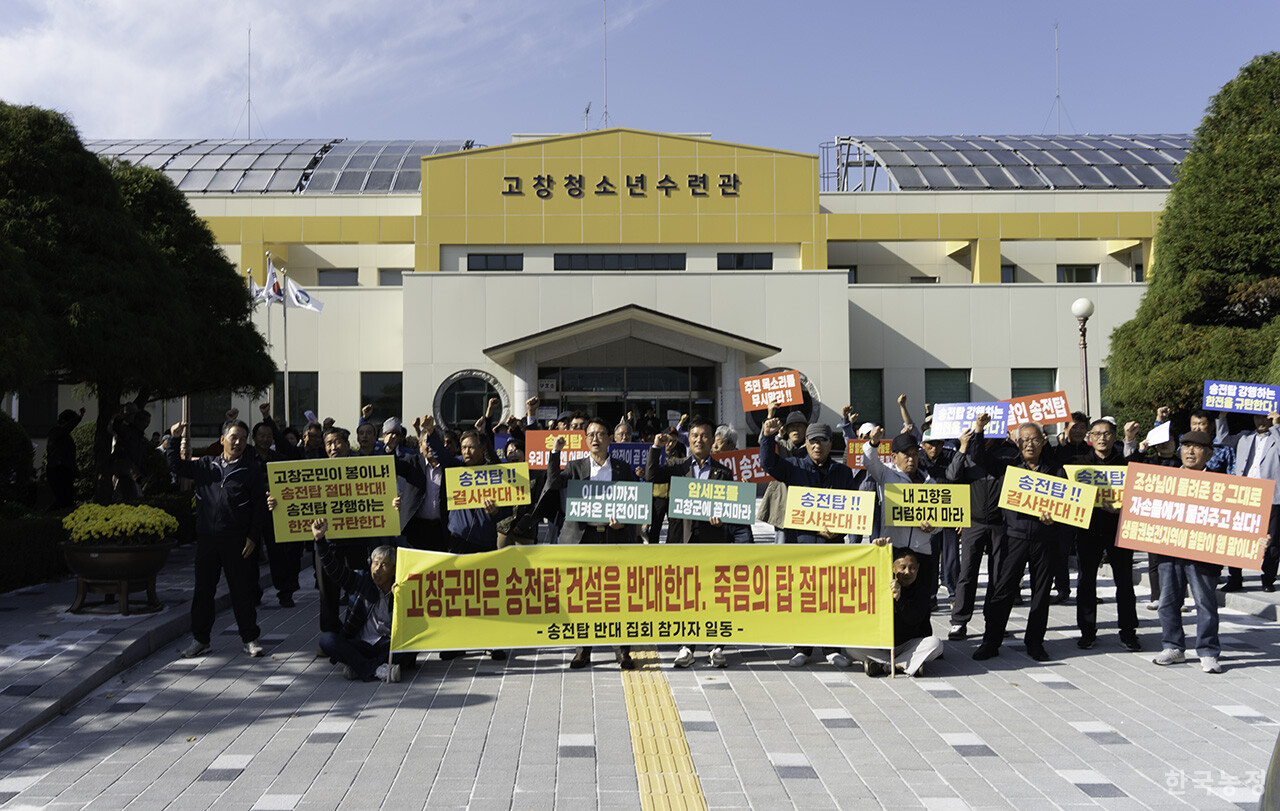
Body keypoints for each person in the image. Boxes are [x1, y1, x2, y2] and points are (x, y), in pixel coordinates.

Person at [646, 416, 751, 668]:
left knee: (714, 593)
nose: (698, 440)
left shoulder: (723, 472)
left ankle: (716, 646)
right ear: (688, 439)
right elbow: (651, 475)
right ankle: (686, 646)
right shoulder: (677, 466)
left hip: (713, 541)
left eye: (704, 436)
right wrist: (655, 448)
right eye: (694, 436)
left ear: (712, 440)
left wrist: (722, 519)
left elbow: (730, 509)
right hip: (681, 540)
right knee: (686, 595)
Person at [760, 416, 857, 668]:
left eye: (822, 441)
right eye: (812, 441)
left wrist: (839, 530)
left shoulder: (843, 473)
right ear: (806, 442)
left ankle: (832, 648)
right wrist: (768, 437)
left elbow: (854, 511)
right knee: (804, 597)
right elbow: (768, 463)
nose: (817, 446)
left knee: (831, 597)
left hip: (833, 549)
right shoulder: (794, 468)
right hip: (802, 545)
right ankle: (802, 647)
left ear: (829, 443)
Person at [544, 416, 640, 670]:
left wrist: (625, 522)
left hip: (613, 538)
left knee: (616, 595)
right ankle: (582, 650)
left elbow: (635, 505)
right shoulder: (575, 467)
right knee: (584, 595)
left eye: (600, 434)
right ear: (585, 440)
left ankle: (622, 651)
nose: (594, 439)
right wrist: (555, 453)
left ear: (610, 439)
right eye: (590, 435)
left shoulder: (622, 468)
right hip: (583, 539)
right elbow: (553, 483)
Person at [166, 418, 266, 659]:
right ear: (222, 440)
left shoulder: (251, 470)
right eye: (234, 437)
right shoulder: (206, 466)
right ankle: (200, 640)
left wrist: (253, 537)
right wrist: (174, 439)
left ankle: (250, 639)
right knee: (203, 591)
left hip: (238, 540)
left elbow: (259, 507)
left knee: (242, 591)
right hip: (208, 540)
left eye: (243, 438)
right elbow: (176, 467)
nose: (239, 442)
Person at [971, 422, 1064, 663]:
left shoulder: (1055, 470)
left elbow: (1067, 506)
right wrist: (979, 431)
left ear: (1043, 441)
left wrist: (1055, 518)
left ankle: (1035, 643)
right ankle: (991, 641)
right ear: (1017, 443)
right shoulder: (1008, 466)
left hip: (1045, 540)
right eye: (1024, 440)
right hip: (1014, 537)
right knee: (1002, 592)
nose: (1029, 445)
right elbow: (978, 456)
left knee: (1041, 593)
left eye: (1034, 440)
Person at [1153, 431, 1228, 673]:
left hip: (1203, 554)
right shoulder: (1166, 479)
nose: (1190, 452)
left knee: (1205, 603)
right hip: (1169, 551)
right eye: (1186, 446)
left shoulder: (1222, 484)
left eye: (1197, 447)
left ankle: (1207, 651)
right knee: (1167, 602)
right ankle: (1173, 646)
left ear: (1209, 454)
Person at [311, 518, 414, 682]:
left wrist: (399, 599)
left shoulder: (402, 589)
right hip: (362, 644)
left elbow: (410, 628)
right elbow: (333, 569)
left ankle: (358, 667)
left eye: (384, 565)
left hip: (387, 645)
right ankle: (373, 668)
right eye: (375, 564)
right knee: (327, 640)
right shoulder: (360, 580)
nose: (377, 570)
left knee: (409, 648)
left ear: (394, 569)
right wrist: (320, 540)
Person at [944, 414, 1019, 640]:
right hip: (973, 523)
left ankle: (994, 620)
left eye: (987, 434)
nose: (983, 438)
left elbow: (986, 460)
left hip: (1001, 523)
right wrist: (963, 448)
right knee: (967, 573)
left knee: (998, 575)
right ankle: (959, 621)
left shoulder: (1009, 454)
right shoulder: (967, 454)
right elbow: (951, 477)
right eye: (980, 434)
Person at [1072, 419, 1141, 651]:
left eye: (1107, 434)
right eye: (1098, 434)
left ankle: (1129, 631)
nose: (1102, 438)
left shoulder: (1125, 464)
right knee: (1086, 581)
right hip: (1088, 528)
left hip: (1118, 528)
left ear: (1114, 437)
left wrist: (1122, 507)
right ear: (1090, 438)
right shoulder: (1078, 466)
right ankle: (1087, 631)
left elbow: (1138, 493)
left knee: (1124, 581)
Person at [861, 425, 940, 607]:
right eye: (906, 454)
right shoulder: (886, 474)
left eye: (914, 454)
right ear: (894, 457)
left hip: (922, 551)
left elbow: (941, 518)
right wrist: (873, 443)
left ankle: (922, 635)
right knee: (890, 600)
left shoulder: (930, 483)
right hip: (894, 548)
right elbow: (870, 461)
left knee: (921, 601)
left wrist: (934, 527)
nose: (911, 458)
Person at [845, 548, 943, 677]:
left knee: (936, 644)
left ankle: (886, 666)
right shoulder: (881, 584)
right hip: (881, 643)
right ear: (893, 568)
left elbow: (913, 619)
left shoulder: (922, 590)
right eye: (902, 568)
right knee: (851, 647)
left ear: (918, 568)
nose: (907, 572)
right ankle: (904, 665)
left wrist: (899, 598)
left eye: (912, 568)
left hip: (909, 644)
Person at [250, 403, 302, 607]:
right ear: (253, 438)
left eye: (268, 435)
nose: (265, 439)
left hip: (276, 512)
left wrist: (267, 418)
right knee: (251, 554)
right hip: (251, 513)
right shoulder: (245, 458)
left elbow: (286, 447)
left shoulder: (280, 459)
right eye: (261, 435)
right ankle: (253, 594)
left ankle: (285, 593)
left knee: (279, 555)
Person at [1222, 411, 1280, 592]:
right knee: (1238, 537)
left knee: (1273, 540)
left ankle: (1268, 579)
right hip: (1245, 494)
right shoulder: (1245, 437)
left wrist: (1277, 426)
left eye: (1265, 417)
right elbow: (1223, 439)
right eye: (1257, 417)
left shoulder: (1276, 436)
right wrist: (1222, 417)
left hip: (1272, 495)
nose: (1261, 421)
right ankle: (1235, 577)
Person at [45, 407, 84, 511]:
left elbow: (70, 456)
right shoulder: (56, 432)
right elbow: (66, 429)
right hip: (57, 470)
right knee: (61, 499)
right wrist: (78, 418)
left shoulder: (64, 436)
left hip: (64, 471)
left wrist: (75, 472)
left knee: (68, 500)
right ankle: (49, 515)